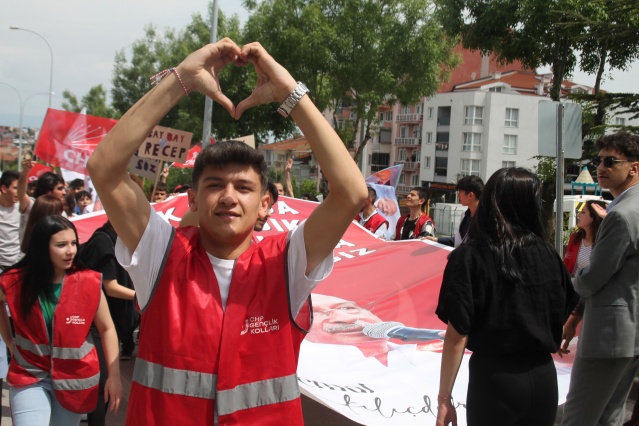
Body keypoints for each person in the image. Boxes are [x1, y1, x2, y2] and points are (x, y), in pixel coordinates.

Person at [86, 39, 368, 425]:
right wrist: (182, 78)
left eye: (244, 187)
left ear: (266, 204)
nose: (229, 197)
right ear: (194, 200)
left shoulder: (287, 262)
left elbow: (351, 192)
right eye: (215, 185)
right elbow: (104, 168)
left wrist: (289, 92)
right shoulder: (160, 254)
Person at [435, 168, 576, 426]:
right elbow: (565, 305)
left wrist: (444, 398)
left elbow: (457, 335)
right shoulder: (548, 253)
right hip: (544, 377)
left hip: (496, 380)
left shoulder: (469, 256)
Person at [0, 215, 122, 425]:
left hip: (74, 381)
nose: (71, 251)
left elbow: (107, 328)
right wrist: (9, 341)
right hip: (29, 375)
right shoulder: (15, 280)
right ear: (41, 247)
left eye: (74, 243)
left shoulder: (89, 281)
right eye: (61, 245)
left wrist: (115, 376)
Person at [561, 132, 639, 426]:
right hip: (629, 335)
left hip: (609, 335)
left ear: (634, 167)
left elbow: (593, 278)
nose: (601, 168)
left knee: (579, 417)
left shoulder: (621, 214)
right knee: (610, 418)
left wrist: (572, 279)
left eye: (610, 161)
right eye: (599, 161)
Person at [79, 220, 138, 426]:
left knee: (103, 379)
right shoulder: (103, 243)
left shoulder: (122, 241)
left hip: (110, 319)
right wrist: (143, 298)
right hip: (95, 321)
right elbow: (111, 287)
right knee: (102, 380)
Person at [425, 175, 483, 247]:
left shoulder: (485, 220)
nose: (458, 196)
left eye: (460, 192)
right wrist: (437, 240)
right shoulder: (465, 215)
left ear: (470, 195)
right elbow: (459, 241)